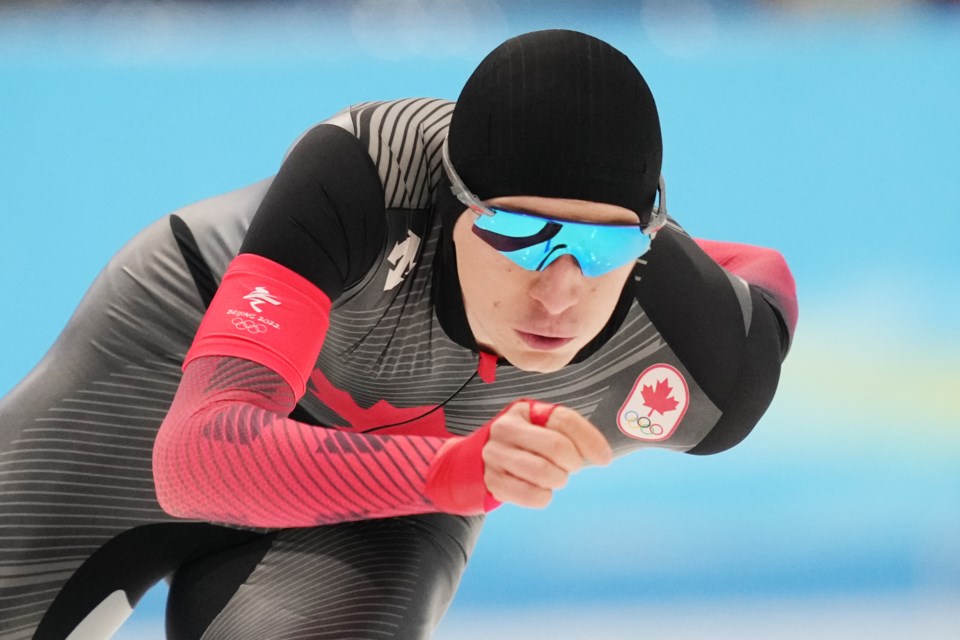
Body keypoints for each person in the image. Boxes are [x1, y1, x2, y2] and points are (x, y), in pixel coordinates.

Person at [0, 29, 797, 640]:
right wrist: (454, 468)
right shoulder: (362, 175)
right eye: (519, 234)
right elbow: (194, 458)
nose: (560, 291)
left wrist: (451, 472)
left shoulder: (705, 362)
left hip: (396, 489)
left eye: (603, 246)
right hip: (167, 371)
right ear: (450, 203)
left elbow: (766, 273)